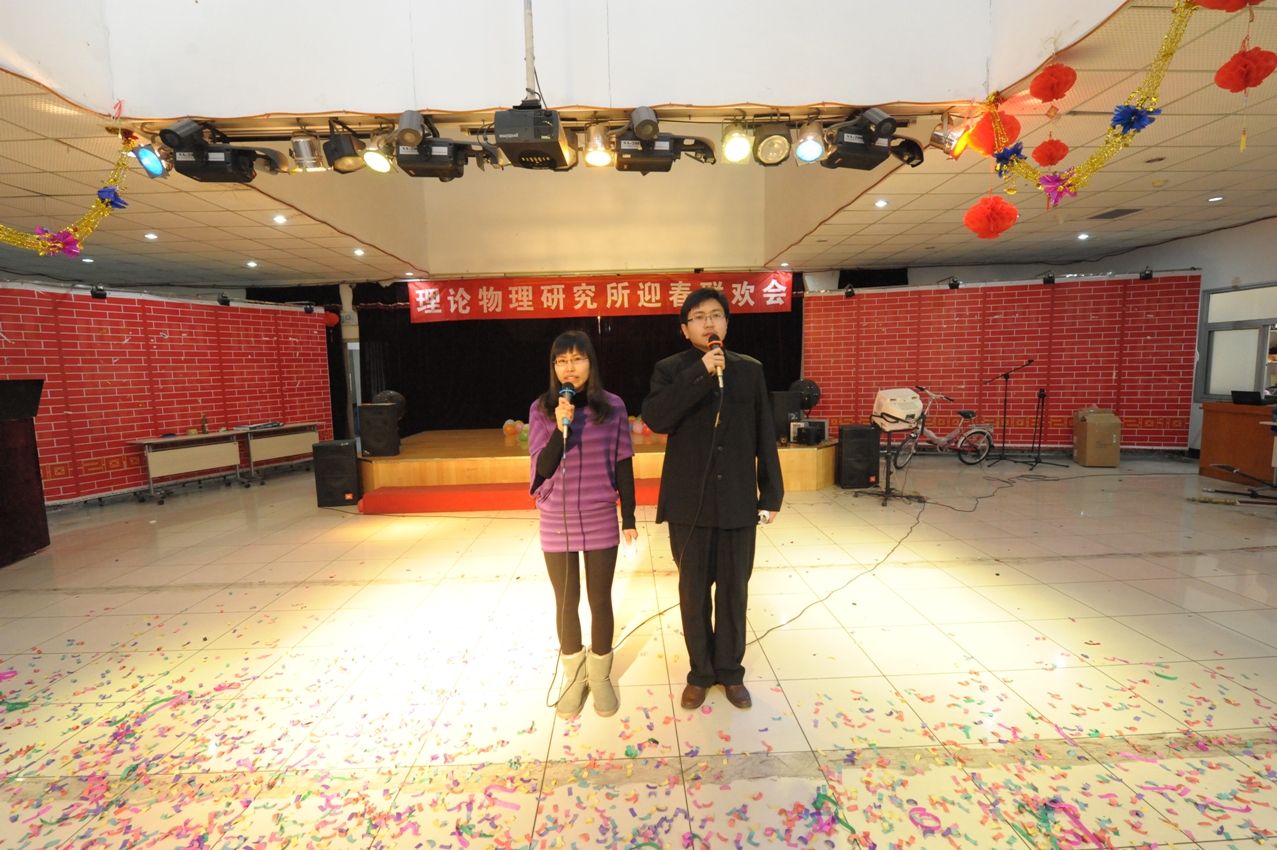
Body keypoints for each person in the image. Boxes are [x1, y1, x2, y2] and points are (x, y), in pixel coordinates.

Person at [641, 288, 783, 711]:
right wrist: (700, 372)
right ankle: (700, 673)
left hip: (738, 500)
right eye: (699, 317)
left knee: (734, 592)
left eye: (716, 315)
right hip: (689, 504)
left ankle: (730, 672)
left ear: (726, 323)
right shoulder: (670, 370)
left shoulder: (750, 370)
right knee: (694, 592)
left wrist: (771, 493)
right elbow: (657, 418)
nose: (709, 323)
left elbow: (764, 433)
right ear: (685, 329)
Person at [528, 331, 638, 719]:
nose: (569, 368)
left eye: (577, 359)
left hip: (599, 513)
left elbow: (623, 462)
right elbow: (542, 470)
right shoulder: (541, 410)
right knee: (566, 599)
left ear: (591, 363)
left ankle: (601, 675)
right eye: (561, 361)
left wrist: (630, 517)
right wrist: (562, 427)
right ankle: (574, 677)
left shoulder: (614, 407)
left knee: (599, 598)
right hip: (555, 516)